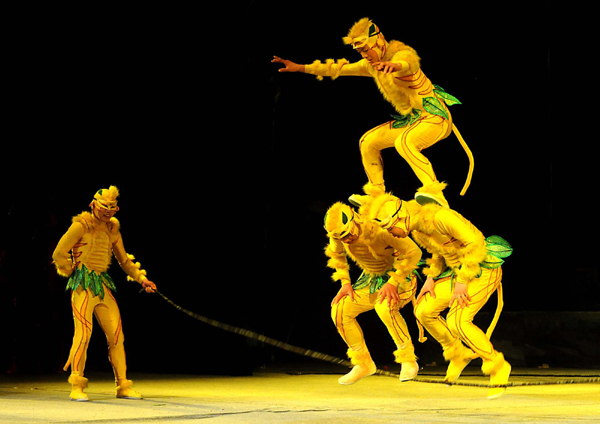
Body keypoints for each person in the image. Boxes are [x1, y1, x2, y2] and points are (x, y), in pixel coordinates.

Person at [273, 17, 473, 207]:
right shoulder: (370, 66)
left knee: (404, 142)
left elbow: (408, 63)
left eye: (366, 49)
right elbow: (336, 69)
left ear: (378, 42)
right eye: (360, 51)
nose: (364, 55)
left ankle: (435, 192)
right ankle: (377, 194)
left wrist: (393, 65)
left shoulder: (399, 53)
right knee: (368, 141)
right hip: (414, 120)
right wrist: (299, 67)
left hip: (436, 117)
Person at [363, 186, 512, 399]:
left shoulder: (441, 217)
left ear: (400, 218)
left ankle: (497, 366)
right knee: (424, 311)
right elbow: (435, 252)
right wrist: (431, 278)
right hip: (455, 273)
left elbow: (476, 242)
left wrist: (462, 281)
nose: (390, 234)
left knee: (457, 321)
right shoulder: (416, 228)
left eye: (389, 228)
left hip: (480, 269)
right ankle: (458, 354)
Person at [52, 186, 157, 401]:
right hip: (82, 286)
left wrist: (142, 278)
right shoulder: (80, 226)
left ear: (116, 209)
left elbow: (124, 261)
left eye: (112, 208)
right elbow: (59, 252)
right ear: (93, 205)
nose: (107, 211)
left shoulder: (112, 231)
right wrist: (71, 269)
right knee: (83, 335)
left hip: (102, 285)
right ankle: (77, 384)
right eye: (103, 207)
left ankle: (122, 385)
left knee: (117, 336)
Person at [324, 201, 422, 384]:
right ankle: (363, 363)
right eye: (341, 238)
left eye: (347, 235)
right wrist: (345, 282)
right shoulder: (338, 234)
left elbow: (414, 252)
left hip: (399, 276)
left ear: (355, 219)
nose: (346, 240)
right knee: (340, 310)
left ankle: (408, 360)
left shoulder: (379, 228)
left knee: (384, 307)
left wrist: (393, 282)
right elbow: (336, 254)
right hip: (370, 279)